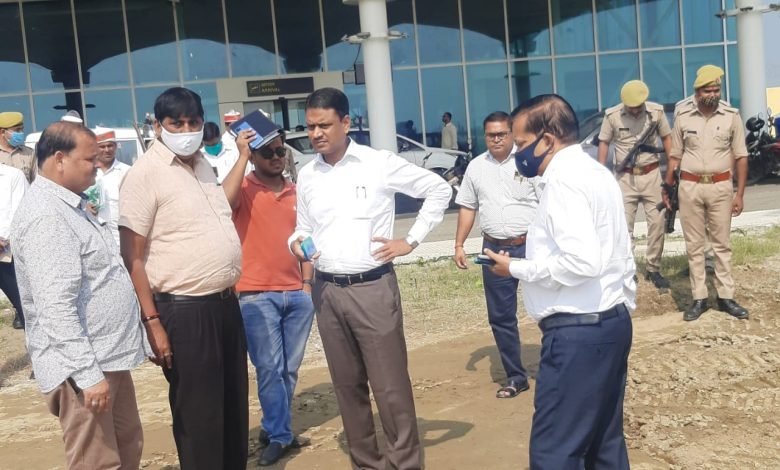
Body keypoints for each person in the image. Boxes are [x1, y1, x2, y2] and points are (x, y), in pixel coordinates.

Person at [289, 87, 451, 470]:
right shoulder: (308, 174)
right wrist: (297, 244)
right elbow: (303, 227)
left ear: (345, 123)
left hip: (372, 289)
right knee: (347, 388)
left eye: (324, 125)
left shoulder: (378, 163)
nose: (316, 134)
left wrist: (410, 240)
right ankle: (366, 463)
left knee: (390, 387)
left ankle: (405, 463)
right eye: (310, 127)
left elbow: (439, 189)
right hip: (327, 292)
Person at [484, 94, 636, 469]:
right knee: (604, 444)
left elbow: (582, 261)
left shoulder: (564, 182)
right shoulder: (596, 173)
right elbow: (617, 251)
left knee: (555, 450)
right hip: (609, 322)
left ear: (548, 140)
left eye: (521, 143)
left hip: (577, 333)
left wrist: (515, 268)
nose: (517, 152)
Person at [119, 87, 248, 469]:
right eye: (177, 123)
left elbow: (223, 206)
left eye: (193, 122)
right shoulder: (144, 175)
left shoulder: (202, 165)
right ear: (159, 126)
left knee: (233, 408)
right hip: (184, 311)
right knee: (199, 416)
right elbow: (133, 256)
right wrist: (152, 322)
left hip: (225, 304)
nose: (187, 130)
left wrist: (243, 158)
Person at [11, 121, 148, 469]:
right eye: (89, 159)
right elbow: (55, 307)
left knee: (128, 444)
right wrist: (87, 374)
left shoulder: (70, 205)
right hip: (83, 367)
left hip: (106, 357)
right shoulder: (46, 216)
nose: (97, 165)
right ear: (60, 159)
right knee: (97, 461)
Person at [221, 130, 315, 466]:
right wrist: (242, 155)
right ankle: (279, 435)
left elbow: (306, 239)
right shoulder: (243, 190)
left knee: (288, 370)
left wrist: (307, 285)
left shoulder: (297, 192)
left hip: (297, 295)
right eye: (268, 152)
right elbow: (222, 202)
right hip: (256, 295)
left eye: (280, 151)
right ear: (254, 157)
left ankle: (275, 425)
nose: (276, 157)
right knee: (269, 370)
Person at [453, 111, 540, 399]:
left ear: (512, 134)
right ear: (485, 136)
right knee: (501, 317)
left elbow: (548, 202)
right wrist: (459, 245)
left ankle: (558, 369)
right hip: (493, 248)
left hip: (530, 246)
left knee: (549, 308)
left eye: (502, 134)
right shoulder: (476, 167)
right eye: (491, 135)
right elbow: (468, 206)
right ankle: (516, 377)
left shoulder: (528, 162)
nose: (497, 139)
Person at [664, 67, 749, 321]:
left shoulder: (731, 116)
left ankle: (726, 297)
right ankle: (699, 298)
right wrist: (667, 188)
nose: (713, 94)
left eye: (716, 89)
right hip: (690, 187)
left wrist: (739, 194)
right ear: (697, 92)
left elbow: (741, 156)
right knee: (694, 245)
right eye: (707, 90)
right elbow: (674, 156)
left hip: (721, 187)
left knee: (722, 245)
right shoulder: (683, 116)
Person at [598, 80, 672, 292]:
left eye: (638, 106)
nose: (635, 110)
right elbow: (603, 143)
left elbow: (667, 139)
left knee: (657, 223)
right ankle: (628, 270)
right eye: (631, 107)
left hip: (651, 175)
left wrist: (672, 171)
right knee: (623, 226)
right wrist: (601, 175)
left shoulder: (656, 113)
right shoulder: (612, 116)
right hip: (624, 178)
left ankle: (653, 268)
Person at [87, 127, 130, 245]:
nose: (107, 150)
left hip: (121, 240)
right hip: (96, 240)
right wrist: (86, 207)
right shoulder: (87, 172)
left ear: (115, 147)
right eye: (102, 147)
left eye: (110, 146)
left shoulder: (127, 172)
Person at [0, 163, 28, 329]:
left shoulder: (13, 176)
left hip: (8, 254)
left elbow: (21, 214)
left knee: (26, 307)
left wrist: (4, 240)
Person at [0, 111, 36, 183]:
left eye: (22, 129)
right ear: (3, 132)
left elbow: (37, 183)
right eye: (17, 130)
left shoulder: (29, 153)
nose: (21, 133)